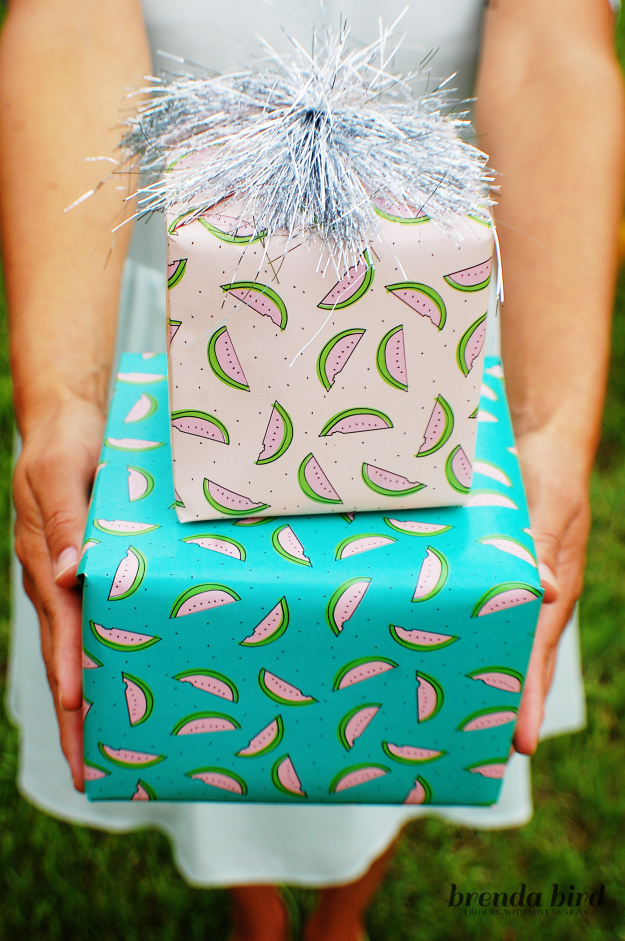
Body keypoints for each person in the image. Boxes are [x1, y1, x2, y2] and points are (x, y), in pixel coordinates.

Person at [0, 1, 622, 939]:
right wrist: (63, 396)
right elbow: (68, 20)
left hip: (420, 329)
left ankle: (340, 912)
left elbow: (554, 51)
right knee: (190, 665)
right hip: (184, 319)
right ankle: (257, 909)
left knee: (419, 670)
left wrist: (552, 426)